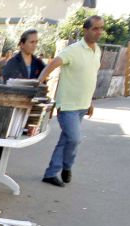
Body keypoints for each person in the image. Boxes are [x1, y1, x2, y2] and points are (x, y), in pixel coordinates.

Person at [39, 15, 103, 187]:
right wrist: (38, 84)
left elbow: (90, 78)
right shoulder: (73, 50)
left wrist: (90, 102)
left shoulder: (97, 51)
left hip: (82, 105)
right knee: (74, 139)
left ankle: (51, 173)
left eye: (101, 28)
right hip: (67, 105)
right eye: (95, 28)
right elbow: (51, 65)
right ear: (86, 30)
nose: (99, 32)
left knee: (66, 139)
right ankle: (67, 166)